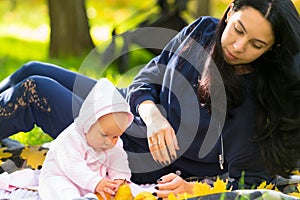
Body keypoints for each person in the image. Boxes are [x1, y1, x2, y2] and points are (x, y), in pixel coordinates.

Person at [0, 0, 299, 198]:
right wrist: (154, 116)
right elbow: (146, 79)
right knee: (33, 69)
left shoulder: (260, 100)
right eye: (238, 30)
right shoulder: (202, 30)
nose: (238, 45)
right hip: (132, 112)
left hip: (128, 147)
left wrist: (191, 188)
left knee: (34, 91)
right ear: (230, 11)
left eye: (256, 44)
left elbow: (247, 182)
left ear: (270, 49)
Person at [38, 78, 134, 200]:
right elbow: (73, 166)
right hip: (62, 175)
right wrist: (95, 182)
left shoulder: (113, 142)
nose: (110, 141)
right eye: (104, 135)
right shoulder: (71, 138)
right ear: (87, 124)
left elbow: (118, 161)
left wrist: (119, 178)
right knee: (59, 189)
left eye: (116, 136)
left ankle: (90, 197)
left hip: (94, 181)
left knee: (117, 189)